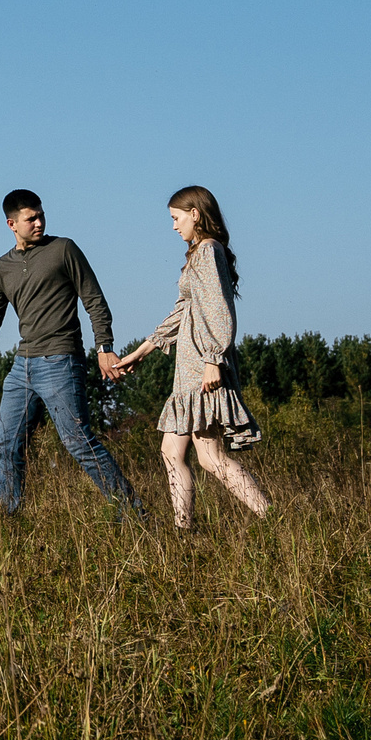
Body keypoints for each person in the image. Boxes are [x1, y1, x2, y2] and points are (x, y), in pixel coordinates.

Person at [0, 189, 142, 516]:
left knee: (79, 442)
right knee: (5, 444)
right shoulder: (3, 267)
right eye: (30, 218)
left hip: (61, 361)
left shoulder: (63, 249)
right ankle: (8, 523)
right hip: (22, 368)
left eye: (41, 215)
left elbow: (94, 301)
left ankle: (135, 516)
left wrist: (104, 347)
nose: (39, 222)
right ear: (11, 224)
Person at [111, 185, 270, 529]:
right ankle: (185, 527)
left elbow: (219, 309)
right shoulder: (198, 254)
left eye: (176, 218)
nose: (173, 226)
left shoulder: (209, 251)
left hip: (203, 366)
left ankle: (271, 518)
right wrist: (143, 350)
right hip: (189, 367)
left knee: (211, 457)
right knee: (174, 452)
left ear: (195, 214)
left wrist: (214, 359)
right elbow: (183, 310)